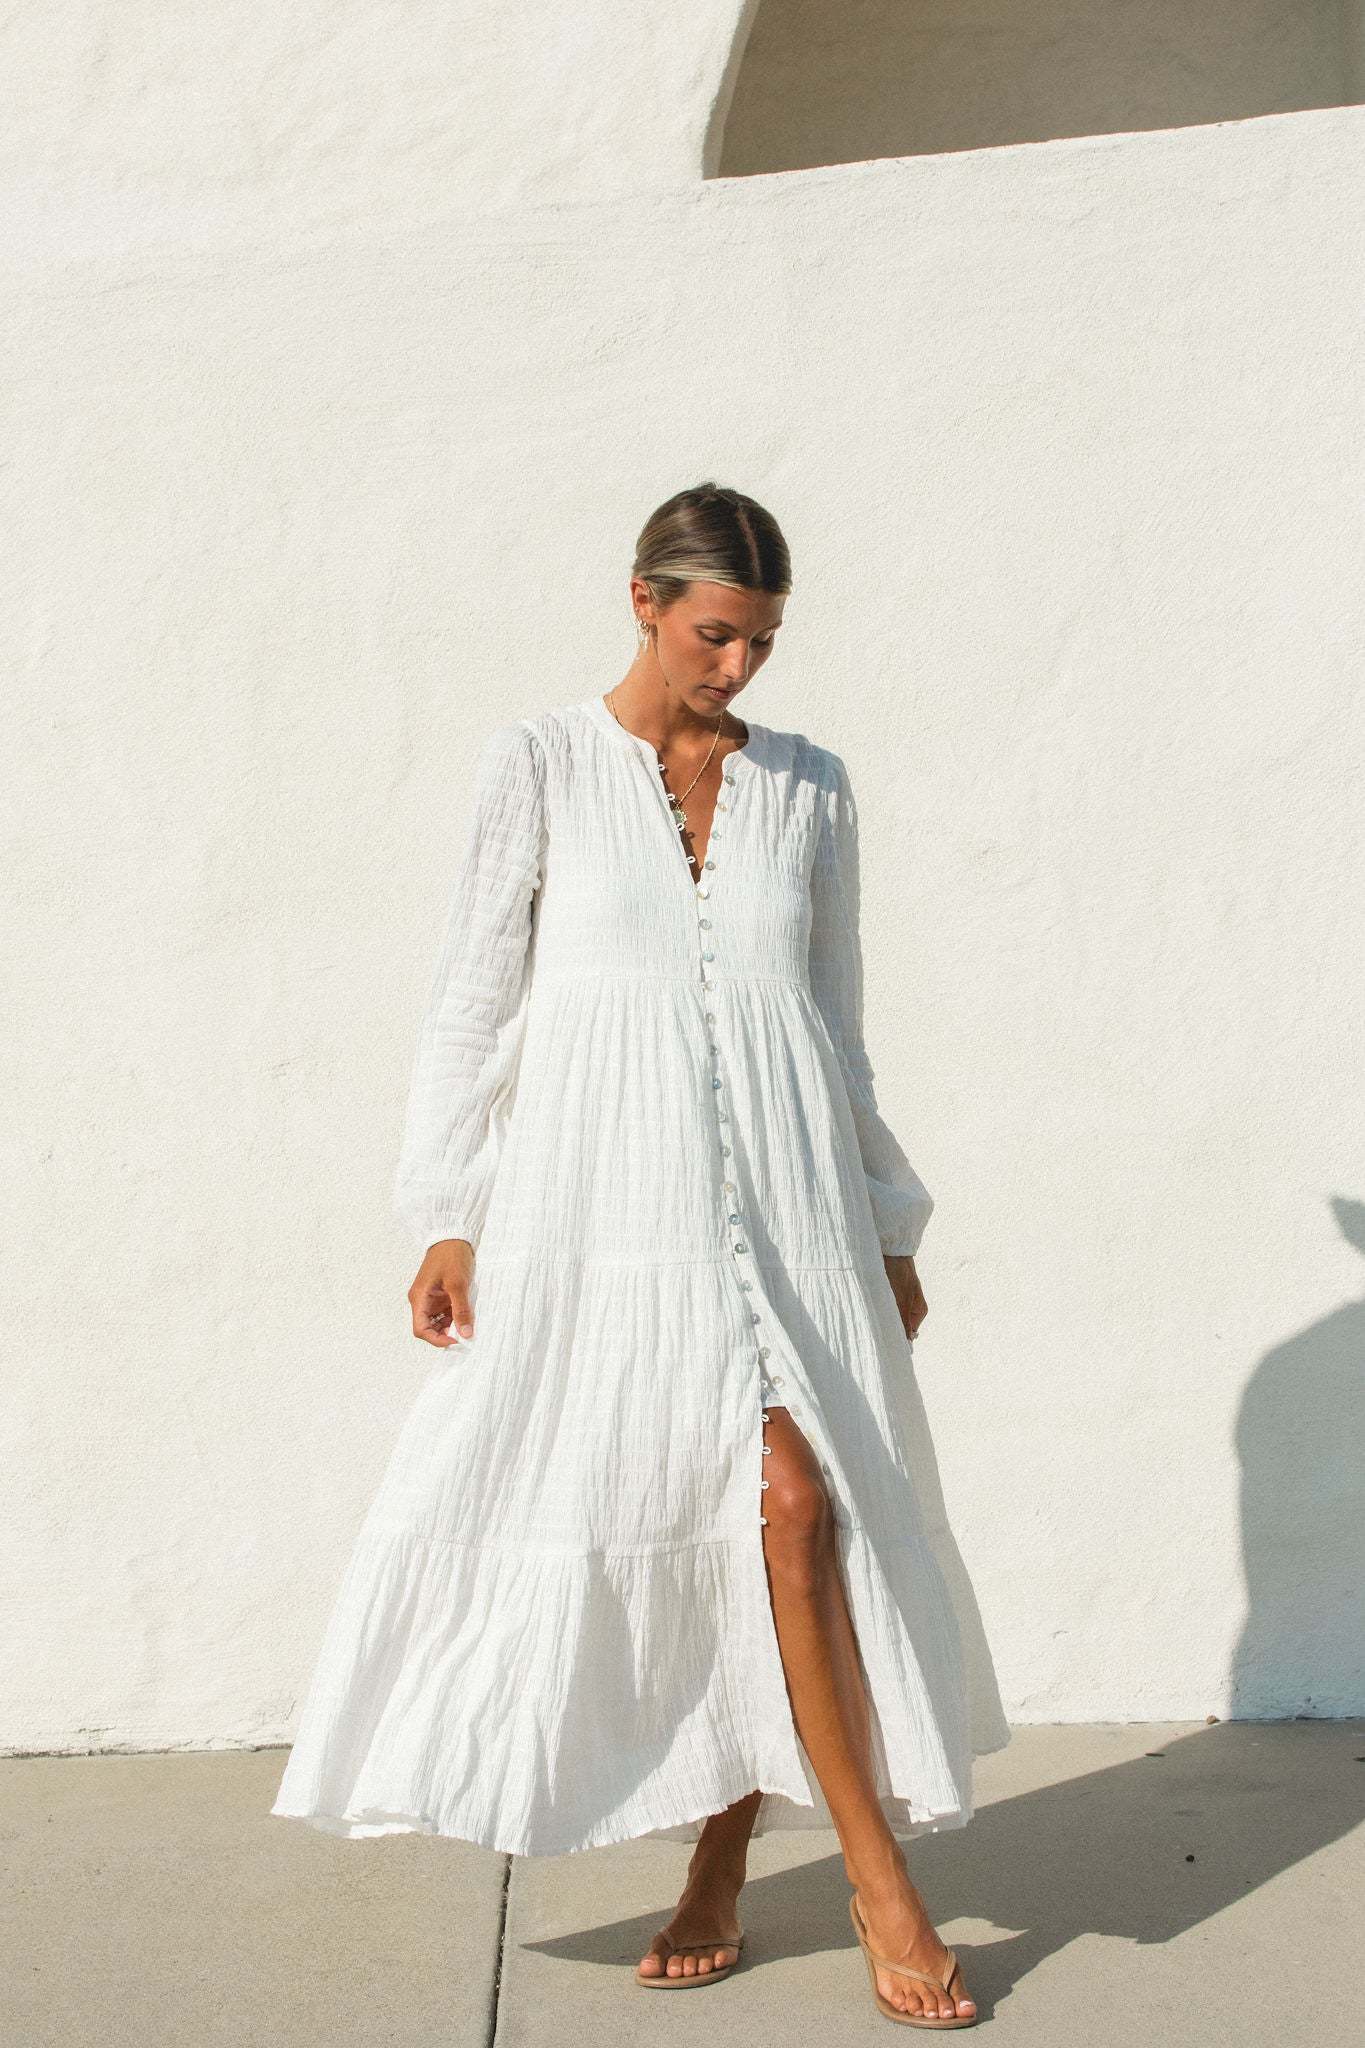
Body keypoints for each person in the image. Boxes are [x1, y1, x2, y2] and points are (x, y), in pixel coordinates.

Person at [270, 482, 1006, 2025]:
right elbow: (471, 998)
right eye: (714, 634)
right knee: (707, 1514)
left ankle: (838, 1875)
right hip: (604, 1217)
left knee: (792, 1510)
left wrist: (883, 1220)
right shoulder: (537, 765)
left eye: (762, 642)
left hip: (794, 1216)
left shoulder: (809, 789)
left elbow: (835, 1026)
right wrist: (448, 1209)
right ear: (643, 602)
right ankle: (768, 1866)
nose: (737, 668)